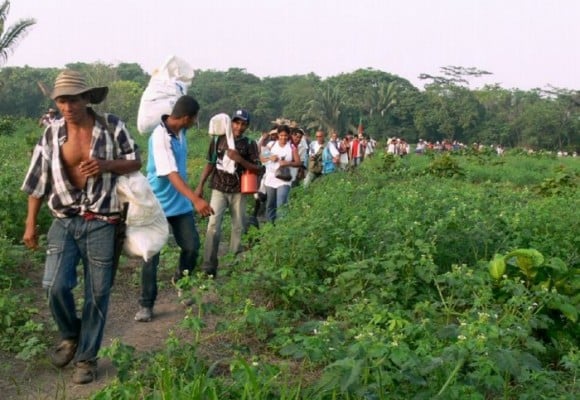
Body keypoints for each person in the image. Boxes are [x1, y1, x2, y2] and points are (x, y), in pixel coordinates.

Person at [21, 70, 142, 384]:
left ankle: (86, 359)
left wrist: (106, 165)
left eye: (73, 99)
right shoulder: (51, 133)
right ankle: (71, 335)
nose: (67, 107)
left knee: (97, 294)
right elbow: (37, 181)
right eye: (61, 100)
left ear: (87, 98)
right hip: (64, 219)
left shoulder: (111, 126)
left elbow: (134, 160)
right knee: (53, 285)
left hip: (104, 221)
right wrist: (30, 223)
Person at [135, 95, 214, 323]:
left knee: (191, 246)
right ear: (187, 118)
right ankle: (146, 304)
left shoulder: (182, 132)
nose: (195, 122)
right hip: (157, 205)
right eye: (195, 118)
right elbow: (171, 174)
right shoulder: (160, 137)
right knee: (151, 256)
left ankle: (181, 280)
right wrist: (196, 200)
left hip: (179, 205)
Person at [195, 109, 261, 277]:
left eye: (243, 124)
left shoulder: (249, 144)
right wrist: (200, 185)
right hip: (219, 188)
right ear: (231, 123)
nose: (239, 127)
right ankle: (208, 266)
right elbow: (210, 163)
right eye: (236, 122)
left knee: (238, 226)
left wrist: (240, 159)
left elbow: (259, 168)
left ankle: (235, 264)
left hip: (239, 191)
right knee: (213, 226)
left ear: (247, 126)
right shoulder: (218, 139)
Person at [261, 124, 301, 222]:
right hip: (271, 178)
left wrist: (288, 163)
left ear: (288, 136)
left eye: (286, 135)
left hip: (284, 179)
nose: (283, 137)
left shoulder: (291, 147)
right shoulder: (271, 145)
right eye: (281, 135)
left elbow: (298, 163)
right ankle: (270, 227)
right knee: (270, 204)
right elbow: (262, 157)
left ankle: (281, 228)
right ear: (278, 135)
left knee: (281, 204)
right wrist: (270, 157)